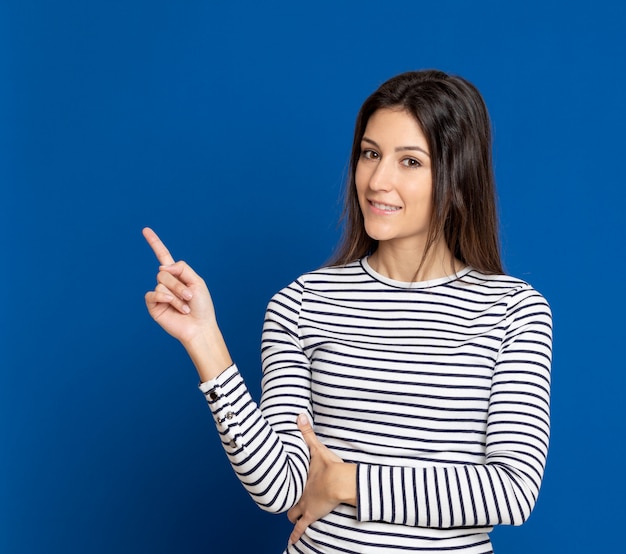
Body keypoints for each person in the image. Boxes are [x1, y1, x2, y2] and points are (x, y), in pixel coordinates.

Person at [143, 69, 552, 554]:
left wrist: (347, 483)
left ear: (458, 178)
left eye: (410, 161)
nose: (378, 180)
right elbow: (280, 489)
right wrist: (205, 342)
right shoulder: (301, 303)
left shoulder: (514, 310)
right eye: (371, 153)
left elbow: (513, 491)